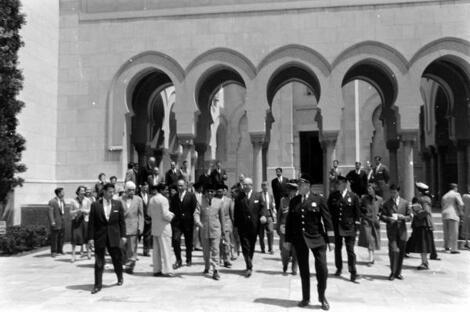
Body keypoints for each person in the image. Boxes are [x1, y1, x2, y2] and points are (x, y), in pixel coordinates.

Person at [285, 174, 334, 310]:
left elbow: (327, 220)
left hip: (318, 238)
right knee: (304, 270)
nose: (298, 188)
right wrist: (288, 240)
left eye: (301, 185)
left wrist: (331, 240)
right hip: (300, 240)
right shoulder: (294, 201)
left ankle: (322, 296)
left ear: (307, 186)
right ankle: (305, 297)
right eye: (298, 186)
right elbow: (290, 222)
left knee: (322, 269)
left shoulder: (319, 199)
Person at [88, 183, 127, 294]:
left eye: (113, 192)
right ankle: (97, 285)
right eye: (110, 192)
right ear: (104, 192)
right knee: (99, 261)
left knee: (117, 259)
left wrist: (123, 236)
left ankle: (120, 277)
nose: (112, 194)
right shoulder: (95, 205)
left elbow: (122, 222)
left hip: (114, 237)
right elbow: (91, 223)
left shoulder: (118, 204)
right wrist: (90, 238)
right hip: (100, 237)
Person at [328, 175, 360, 282]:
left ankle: (353, 271)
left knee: (350, 250)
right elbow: (328, 212)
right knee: (338, 249)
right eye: (337, 183)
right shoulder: (333, 196)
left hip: (349, 227)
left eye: (339, 183)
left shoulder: (353, 196)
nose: (337, 185)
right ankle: (339, 267)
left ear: (345, 184)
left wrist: (356, 228)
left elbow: (357, 214)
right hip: (337, 227)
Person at [234, 177, 267, 278]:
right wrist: (235, 225)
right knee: (245, 246)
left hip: (254, 225)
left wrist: (263, 215)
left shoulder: (258, 195)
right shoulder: (239, 197)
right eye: (243, 184)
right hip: (242, 226)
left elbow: (263, 207)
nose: (244, 186)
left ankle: (249, 262)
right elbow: (236, 212)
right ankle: (249, 266)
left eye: (247, 184)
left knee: (251, 246)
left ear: (251, 185)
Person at [380, 184, 411, 280]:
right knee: (394, 251)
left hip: (402, 231)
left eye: (395, 192)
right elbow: (382, 216)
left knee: (401, 252)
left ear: (398, 192)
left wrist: (404, 218)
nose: (393, 194)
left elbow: (410, 217)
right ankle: (392, 272)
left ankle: (398, 272)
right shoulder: (386, 203)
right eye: (391, 192)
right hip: (392, 230)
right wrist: (388, 219)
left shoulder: (405, 203)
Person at [195, 184, 225, 280]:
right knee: (206, 251)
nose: (210, 193)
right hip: (204, 229)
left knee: (216, 250)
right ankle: (207, 266)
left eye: (212, 191)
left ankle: (216, 270)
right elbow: (196, 213)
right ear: (205, 192)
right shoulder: (200, 201)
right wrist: (198, 222)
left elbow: (222, 217)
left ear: (214, 192)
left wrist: (223, 230)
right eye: (208, 191)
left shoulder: (219, 202)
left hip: (215, 229)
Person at [170, 178, 198, 268]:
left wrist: (194, 220)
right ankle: (178, 260)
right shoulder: (174, 197)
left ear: (185, 186)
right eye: (178, 185)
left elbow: (195, 209)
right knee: (175, 240)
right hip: (177, 223)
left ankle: (188, 259)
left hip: (188, 223)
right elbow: (172, 209)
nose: (180, 187)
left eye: (181, 185)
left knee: (188, 242)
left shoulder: (191, 196)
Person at [149, 183, 175, 277]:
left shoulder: (151, 199)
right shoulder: (164, 200)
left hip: (155, 227)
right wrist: (172, 216)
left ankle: (156, 269)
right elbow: (165, 214)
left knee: (156, 251)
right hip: (164, 228)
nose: (167, 191)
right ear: (161, 190)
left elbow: (149, 213)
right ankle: (168, 270)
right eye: (166, 190)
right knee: (166, 250)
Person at [120, 181, 144, 274]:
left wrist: (141, 227)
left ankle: (130, 266)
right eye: (129, 190)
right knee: (122, 248)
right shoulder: (119, 199)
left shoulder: (138, 200)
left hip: (134, 227)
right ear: (125, 190)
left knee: (132, 248)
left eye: (133, 190)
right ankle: (123, 264)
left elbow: (141, 215)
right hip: (122, 228)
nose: (131, 192)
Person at [277, 179, 298, 275]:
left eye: (294, 189)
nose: (292, 191)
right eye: (291, 189)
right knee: (285, 251)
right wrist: (278, 227)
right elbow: (279, 215)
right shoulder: (283, 200)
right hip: (284, 229)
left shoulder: (300, 200)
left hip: (296, 229)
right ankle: (285, 264)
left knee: (295, 250)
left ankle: (294, 267)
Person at [358, 183, 382, 265]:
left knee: (373, 239)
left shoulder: (379, 199)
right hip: (366, 222)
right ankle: (371, 257)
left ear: (374, 190)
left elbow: (382, 210)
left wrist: (379, 215)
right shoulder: (364, 198)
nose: (369, 190)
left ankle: (371, 257)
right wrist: (362, 214)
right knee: (369, 239)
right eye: (368, 189)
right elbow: (359, 209)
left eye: (370, 189)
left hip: (375, 222)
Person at [441, 183, 464, 254]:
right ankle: (454, 249)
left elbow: (442, 205)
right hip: (453, 214)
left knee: (446, 232)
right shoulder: (456, 194)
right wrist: (461, 212)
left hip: (444, 214)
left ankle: (446, 246)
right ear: (455, 188)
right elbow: (461, 204)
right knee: (454, 232)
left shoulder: (444, 195)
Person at [70, 185, 92, 262]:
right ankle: (73, 255)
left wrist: (83, 211)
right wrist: (76, 211)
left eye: (84, 191)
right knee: (75, 237)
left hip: (85, 220)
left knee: (86, 237)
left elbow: (90, 211)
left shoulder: (88, 200)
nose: (83, 192)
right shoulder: (73, 201)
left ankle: (88, 251)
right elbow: (70, 212)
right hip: (76, 221)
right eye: (81, 191)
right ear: (78, 191)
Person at [217, 184, 233, 268]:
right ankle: (218, 259)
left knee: (226, 242)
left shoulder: (229, 200)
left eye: (221, 191)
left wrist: (231, 225)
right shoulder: (214, 200)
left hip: (226, 223)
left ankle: (227, 260)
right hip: (217, 224)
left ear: (224, 191)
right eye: (218, 191)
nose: (219, 193)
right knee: (218, 243)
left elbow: (231, 214)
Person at [48, 187, 66, 257]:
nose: (64, 193)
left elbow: (63, 209)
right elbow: (50, 212)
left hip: (62, 221)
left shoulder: (62, 201)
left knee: (61, 236)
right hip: (55, 222)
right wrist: (52, 221)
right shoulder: (52, 201)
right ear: (59, 193)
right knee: (54, 237)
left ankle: (60, 250)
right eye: (62, 192)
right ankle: (54, 251)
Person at [259, 181, 276, 254]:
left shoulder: (270, 195)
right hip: (261, 217)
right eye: (263, 186)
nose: (265, 187)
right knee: (261, 234)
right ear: (261, 187)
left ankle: (270, 248)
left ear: (268, 187)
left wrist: (274, 213)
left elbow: (272, 206)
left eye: (266, 186)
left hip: (269, 216)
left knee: (271, 231)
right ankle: (262, 248)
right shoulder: (258, 195)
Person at [139, 182, 152, 256]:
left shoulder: (150, 196)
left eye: (146, 186)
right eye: (144, 186)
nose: (145, 188)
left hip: (148, 219)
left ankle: (146, 250)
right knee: (138, 236)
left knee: (147, 236)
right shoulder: (137, 196)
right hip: (140, 219)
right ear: (141, 187)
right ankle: (133, 251)